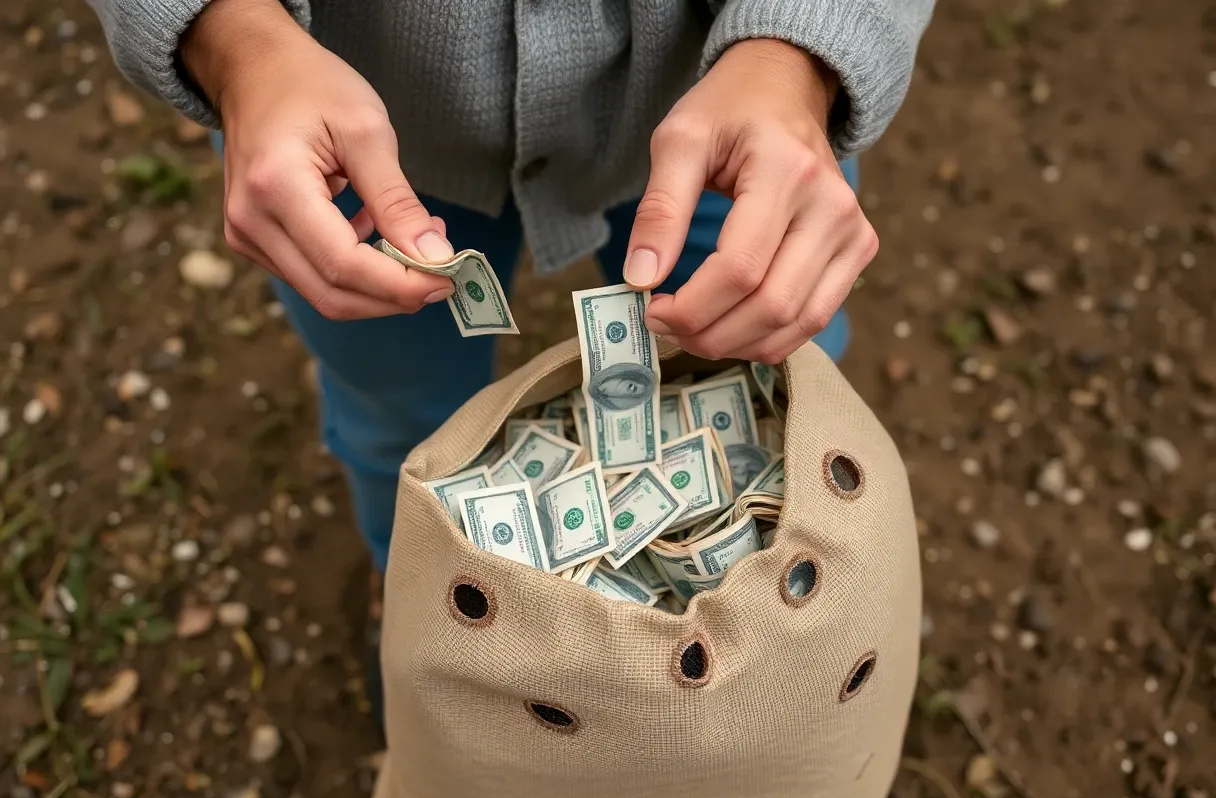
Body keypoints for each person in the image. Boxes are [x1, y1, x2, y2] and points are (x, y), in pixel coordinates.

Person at [85, 0, 936, 724]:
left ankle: (790, 652)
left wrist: (800, 48)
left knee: (778, 403)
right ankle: (426, 610)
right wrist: (235, 39)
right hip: (339, 119)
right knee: (397, 426)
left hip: (734, 112)